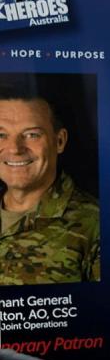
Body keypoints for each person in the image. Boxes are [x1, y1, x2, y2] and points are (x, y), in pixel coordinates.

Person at [0, 92, 100, 285]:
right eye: (1, 135)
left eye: (32, 134)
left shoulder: (97, 224)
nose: (15, 148)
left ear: (59, 141)